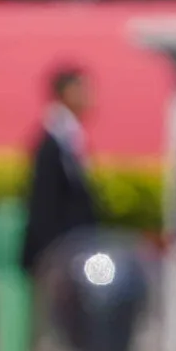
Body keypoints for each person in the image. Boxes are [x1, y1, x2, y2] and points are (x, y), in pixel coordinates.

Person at [22, 65, 100, 276]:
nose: (90, 97)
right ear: (66, 93)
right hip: (57, 251)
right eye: (82, 89)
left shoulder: (71, 136)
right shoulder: (53, 140)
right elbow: (45, 201)